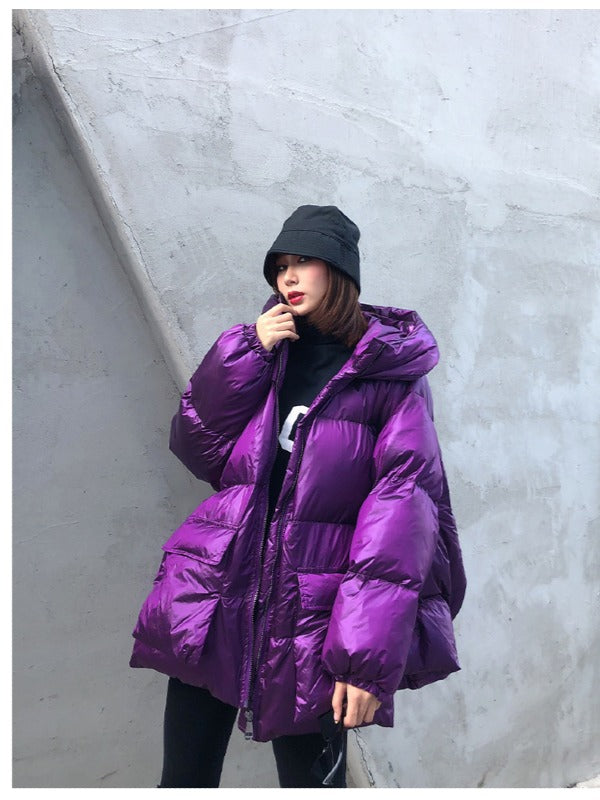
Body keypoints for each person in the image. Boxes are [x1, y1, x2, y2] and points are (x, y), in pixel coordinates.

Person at [130, 205, 466, 788]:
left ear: (340, 270)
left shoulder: (390, 376)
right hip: (218, 597)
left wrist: (363, 659)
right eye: (280, 265)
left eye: (304, 260)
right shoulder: (267, 350)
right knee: (183, 781)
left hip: (310, 618)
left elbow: (400, 519)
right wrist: (244, 354)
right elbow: (198, 449)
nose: (288, 275)